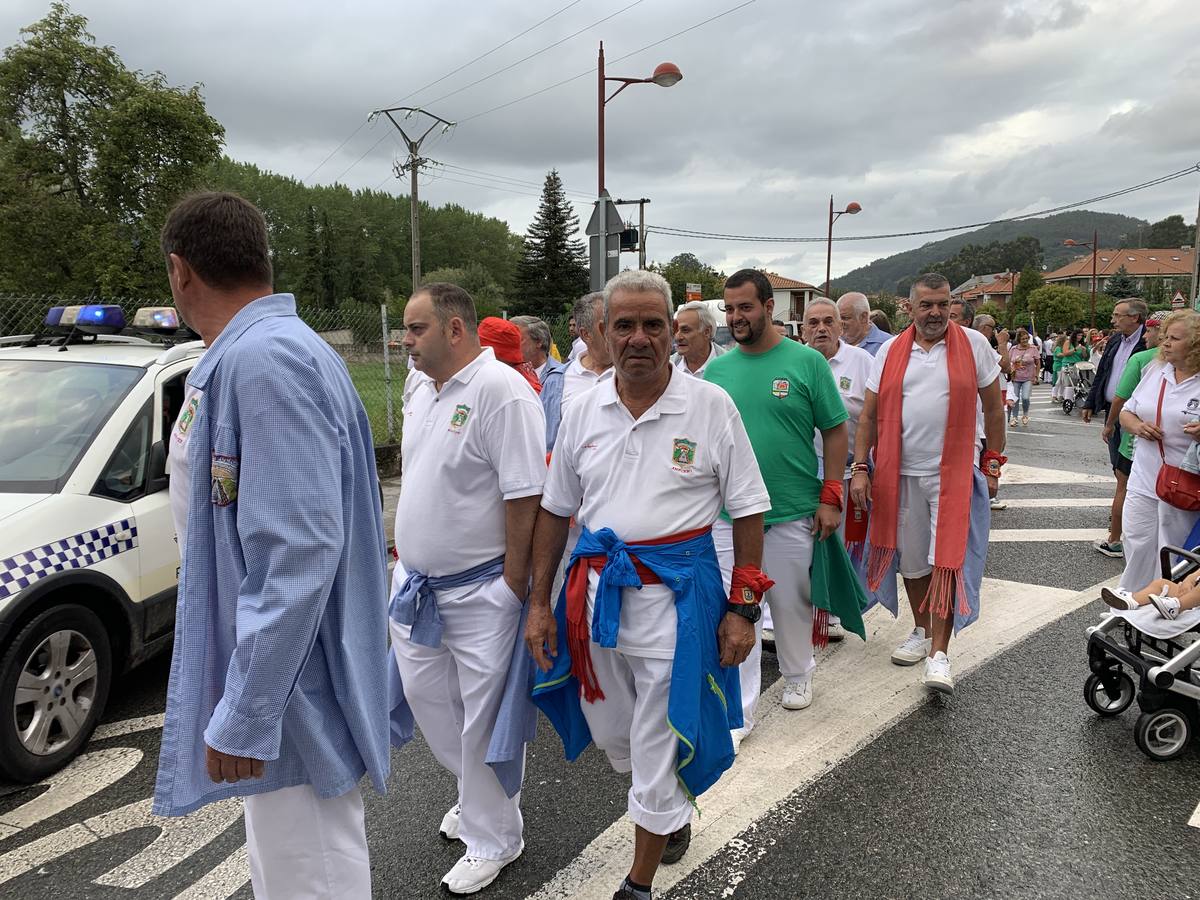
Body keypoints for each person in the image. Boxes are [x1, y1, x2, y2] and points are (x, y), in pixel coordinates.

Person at [152, 192, 389, 899]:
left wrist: (249, 708)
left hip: (291, 683)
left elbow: (297, 551)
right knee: (288, 864)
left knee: (308, 870)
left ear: (180, 271)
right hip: (280, 669)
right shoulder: (249, 355)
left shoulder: (267, 362)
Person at [525, 269, 772, 900]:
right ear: (603, 332)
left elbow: (749, 509)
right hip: (597, 602)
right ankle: (668, 806)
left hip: (679, 603)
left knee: (659, 739)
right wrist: (539, 603)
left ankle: (638, 882)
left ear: (671, 331)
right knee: (617, 735)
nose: (640, 337)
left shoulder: (710, 406)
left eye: (653, 324)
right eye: (626, 325)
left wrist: (743, 609)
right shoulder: (582, 410)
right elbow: (555, 510)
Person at [391, 283, 547, 895]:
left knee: (483, 718)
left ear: (455, 330)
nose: (405, 341)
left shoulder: (501, 392)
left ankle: (495, 837)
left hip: (482, 590)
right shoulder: (419, 387)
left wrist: (513, 586)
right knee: (428, 699)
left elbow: (525, 495)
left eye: (416, 328)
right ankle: (479, 795)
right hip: (418, 588)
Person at [705, 270, 849, 736]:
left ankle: (798, 673)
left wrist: (831, 494)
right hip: (729, 515)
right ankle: (740, 712)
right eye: (729, 309)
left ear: (769, 308)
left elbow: (835, 430)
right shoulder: (716, 372)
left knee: (789, 603)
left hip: (791, 509)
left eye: (745, 307)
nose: (736, 317)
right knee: (738, 609)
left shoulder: (807, 363)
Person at [850, 273, 1004, 695]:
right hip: (898, 475)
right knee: (914, 562)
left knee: (946, 561)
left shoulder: (974, 344)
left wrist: (993, 463)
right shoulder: (890, 351)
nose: (935, 312)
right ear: (910, 307)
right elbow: (868, 416)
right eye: (926, 305)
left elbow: (994, 409)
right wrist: (861, 467)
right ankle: (922, 629)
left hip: (952, 475)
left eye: (942, 304)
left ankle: (939, 654)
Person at [802, 297, 876, 643]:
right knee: (802, 546)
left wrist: (863, 468)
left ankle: (831, 611)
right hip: (803, 474)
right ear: (804, 329)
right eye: (813, 323)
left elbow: (873, 419)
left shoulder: (862, 362)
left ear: (840, 326)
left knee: (841, 546)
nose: (821, 329)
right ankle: (802, 610)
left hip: (847, 472)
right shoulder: (795, 361)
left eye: (828, 321)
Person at [1116, 310, 1200, 593]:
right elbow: (1127, 411)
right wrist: (1138, 426)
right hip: (1144, 475)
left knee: (1172, 547)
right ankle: (1131, 598)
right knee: (1136, 539)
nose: (1165, 343)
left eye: (1175, 338)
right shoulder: (1155, 371)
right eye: (1165, 336)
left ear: (1195, 345)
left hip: (1186, 480)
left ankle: (1167, 601)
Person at [1095, 311, 1168, 557]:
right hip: (1171, 451)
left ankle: (1115, 539)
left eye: (1150, 330)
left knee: (1124, 486)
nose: (1146, 336)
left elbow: (1122, 397)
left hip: (1135, 443)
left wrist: (1109, 424)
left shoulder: (1143, 359)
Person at [512, 314, 567, 451]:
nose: (512, 344)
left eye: (518, 339)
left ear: (539, 342)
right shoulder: (507, 376)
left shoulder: (562, 377)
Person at [561, 291, 613, 410]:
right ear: (586, 334)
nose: (619, 332)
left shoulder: (638, 374)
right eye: (608, 325)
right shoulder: (558, 380)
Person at [1102, 571, 1200, 619]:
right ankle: (1132, 600)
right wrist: (1189, 580)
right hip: (1192, 593)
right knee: (1160, 583)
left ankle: (1176, 607)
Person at [671, 299, 725, 377]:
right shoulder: (667, 366)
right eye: (676, 330)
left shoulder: (730, 366)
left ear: (707, 332)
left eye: (685, 330)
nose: (677, 337)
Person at [1008, 328, 1041, 427]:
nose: (1025, 340)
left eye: (1027, 338)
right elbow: (1009, 362)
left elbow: (1038, 363)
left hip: (1028, 377)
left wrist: (1036, 375)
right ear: (1019, 339)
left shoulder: (1033, 349)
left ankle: (1025, 414)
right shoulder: (1013, 349)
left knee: (1025, 398)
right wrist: (1012, 368)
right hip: (1015, 377)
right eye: (1023, 339)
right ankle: (1014, 418)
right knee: (1015, 398)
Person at [838, 291, 888, 356]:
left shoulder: (887, 345)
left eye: (845, 318)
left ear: (863, 317)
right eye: (837, 318)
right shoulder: (833, 343)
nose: (840, 323)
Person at [1052, 330, 1088, 402]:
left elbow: (1084, 356)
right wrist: (1075, 349)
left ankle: (1074, 399)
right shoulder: (1068, 342)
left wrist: (1084, 351)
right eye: (1078, 335)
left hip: (1078, 365)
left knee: (1077, 383)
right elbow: (1065, 353)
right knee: (1068, 383)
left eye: (1081, 335)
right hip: (1068, 365)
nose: (1080, 337)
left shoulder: (1081, 344)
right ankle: (1067, 399)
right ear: (1074, 335)